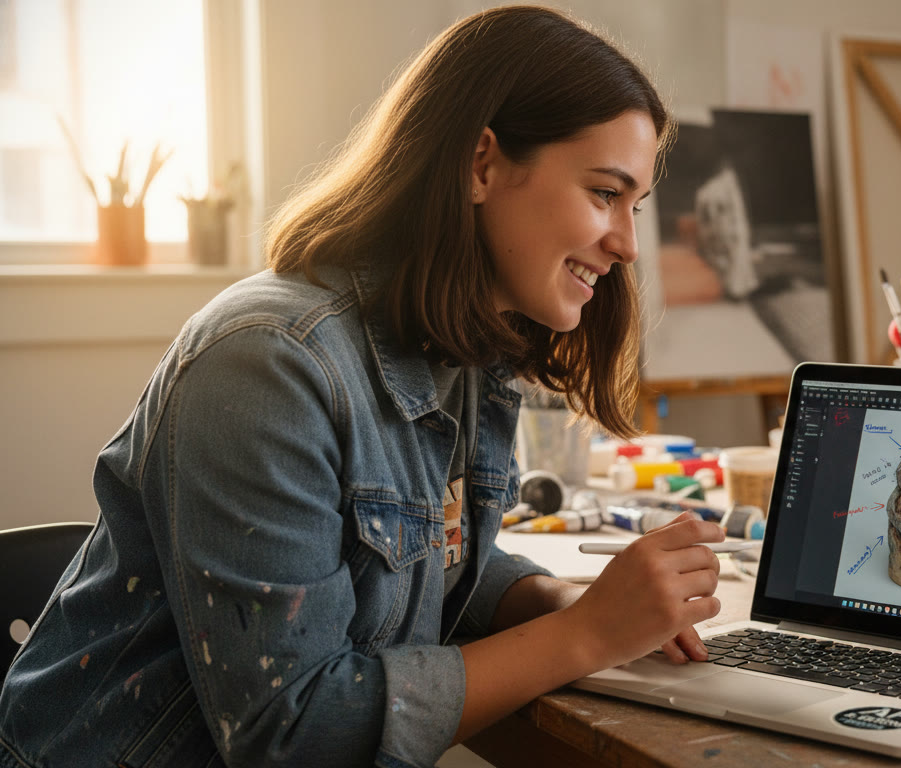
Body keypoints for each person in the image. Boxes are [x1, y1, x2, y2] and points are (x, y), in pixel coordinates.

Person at [0, 7, 726, 768]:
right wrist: (587, 636)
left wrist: (557, 600)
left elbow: (422, 561)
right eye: (606, 193)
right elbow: (295, 733)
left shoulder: (465, 351)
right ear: (481, 165)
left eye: (635, 205)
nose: (629, 244)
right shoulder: (266, 365)